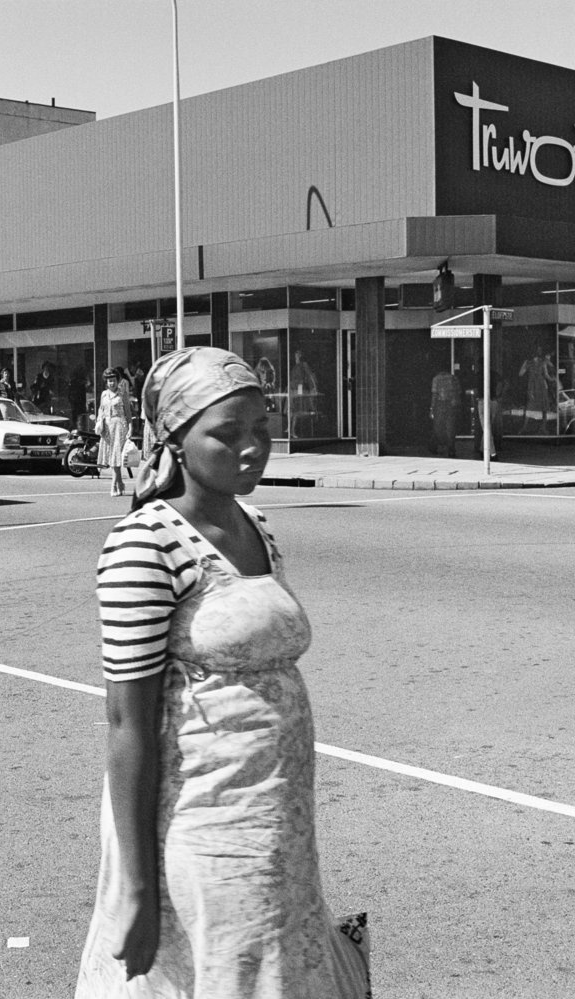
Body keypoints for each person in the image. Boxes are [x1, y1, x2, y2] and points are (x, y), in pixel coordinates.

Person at [75, 347, 371, 999]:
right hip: (207, 832)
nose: (253, 447)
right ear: (177, 441)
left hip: (277, 824)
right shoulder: (143, 545)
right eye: (228, 433)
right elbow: (127, 724)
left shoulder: (255, 526)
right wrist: (138, 886)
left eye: (262, 428)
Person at [95, 367, 131, 496]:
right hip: (107, 427)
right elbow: (100, 409)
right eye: (109, 381)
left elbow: (128, 412)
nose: (111, 383)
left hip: (119, 426)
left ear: (118, 381)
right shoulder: (104, 394)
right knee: (112, 457)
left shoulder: (122, 394)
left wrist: (130, 428)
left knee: (116, 457)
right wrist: (99, 421)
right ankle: (120, 483)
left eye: (114, 380)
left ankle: (114, 486)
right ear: (106, 382)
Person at [429, 367, 462, 457]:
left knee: (438, 426)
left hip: (441, 403)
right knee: (450, 427)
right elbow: (459, 392)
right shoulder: (454, 378)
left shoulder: (436, 379)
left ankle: (436, 446)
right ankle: (451, 449)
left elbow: (434, 394)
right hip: (452, 404)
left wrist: (432, 408)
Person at [289, 349, 318, 437]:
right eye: (295, 355)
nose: (296, 357)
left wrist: (314, 387)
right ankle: (291, 430)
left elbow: (310, 375)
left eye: (298, 355)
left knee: (298, 411)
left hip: (300, 390)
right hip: (294, 390)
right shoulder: (295, 367)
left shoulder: (303, 365)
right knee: (294, 410)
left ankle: (293, 430)